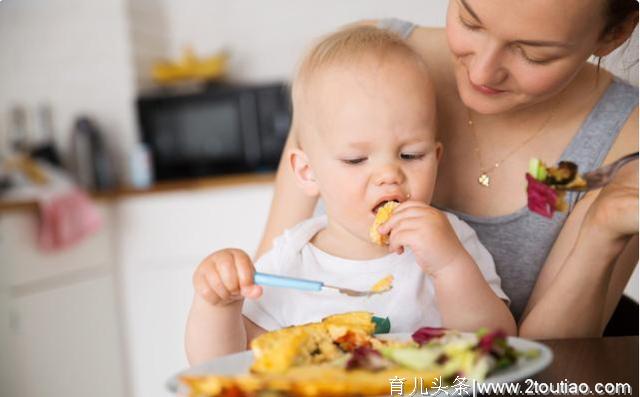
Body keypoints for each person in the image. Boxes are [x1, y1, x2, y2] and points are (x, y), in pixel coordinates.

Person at [256, 0, 639, 339]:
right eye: (471, 21)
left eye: (534, 54)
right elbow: (261, 297)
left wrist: (601, 232)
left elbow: (538, 366)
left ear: (616, 33)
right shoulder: (356, 65)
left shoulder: (627, 136)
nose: (483, 72)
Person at [185, 26, 516, 365]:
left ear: (437, 158)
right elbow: (223, 364)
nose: (389, 175)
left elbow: (500, 347)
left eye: (411, 155)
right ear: (307, 172)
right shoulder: (293, 259)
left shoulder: (450, 241)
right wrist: (218, 306)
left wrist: (449, 266)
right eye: (356, 160)